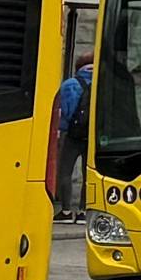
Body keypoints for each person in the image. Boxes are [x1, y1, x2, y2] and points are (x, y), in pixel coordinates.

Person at [51, 53, 92, 221]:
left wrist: (61, 129)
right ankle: (83, 211)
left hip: (72, 135)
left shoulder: (71, 84)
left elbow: (65, 111)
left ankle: (66, 211)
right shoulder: (102, 83)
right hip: (92, 136)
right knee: (88, 174)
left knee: (65, 171)